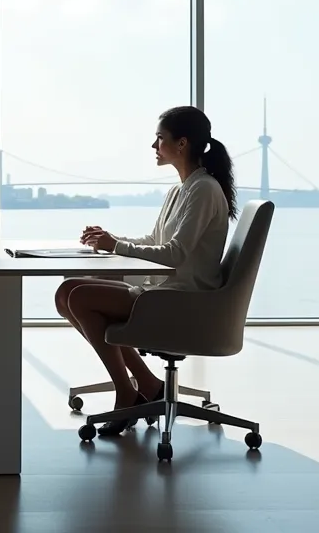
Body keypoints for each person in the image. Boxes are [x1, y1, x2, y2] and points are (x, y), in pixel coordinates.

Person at [55, 105, 236, 436]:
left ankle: (127, 391)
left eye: (160, 138)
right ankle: (148, 384)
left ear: (182, 143)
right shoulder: (181, 189)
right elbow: (156, 241)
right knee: (66, 292)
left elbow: (175, 254)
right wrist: (111, 240)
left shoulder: (204, 189)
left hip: (185, 299)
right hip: (167, 291)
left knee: (80, 297)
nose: (154, 145)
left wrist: (116, 246)